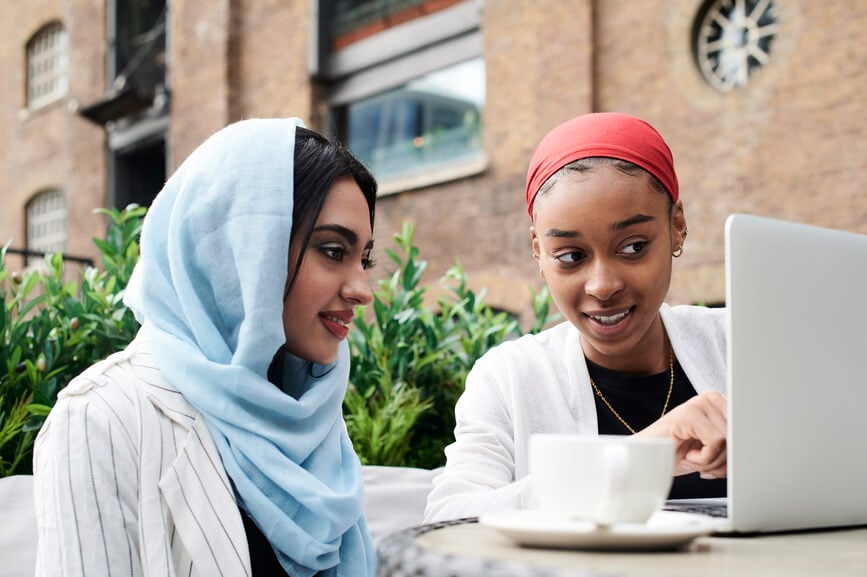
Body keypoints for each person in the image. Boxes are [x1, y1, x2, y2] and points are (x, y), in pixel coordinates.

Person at [33, 118, 379, 576]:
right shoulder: (101, 417)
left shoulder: (307, 413)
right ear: (243, 250)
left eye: (364, 259)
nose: (362, 289)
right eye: (334, 251)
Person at [425, 112, 728, 524]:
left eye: (634, 247)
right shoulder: (508, 376)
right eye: (571, 256)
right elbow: (448, 519)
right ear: (538, 251)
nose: (602, 286)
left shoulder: (741, 343)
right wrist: (635, 459)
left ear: (677, 226)